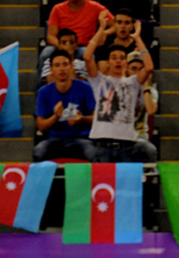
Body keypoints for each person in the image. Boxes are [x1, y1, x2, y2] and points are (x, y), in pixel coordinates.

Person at [83, 22, 153, 161]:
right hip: (102, 144)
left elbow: (149, 67)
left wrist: (138, 38)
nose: (118, 61)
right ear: (108, 62)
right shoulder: (99, 80)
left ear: (126, 62)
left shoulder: (132, 82)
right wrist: (101, 30)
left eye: (122, 58)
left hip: (126, 144)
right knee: (103, 183)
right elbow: (87, 57)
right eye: (114, 58)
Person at [34, 49, 96, 161]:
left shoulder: (85, 88)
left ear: (71, 66)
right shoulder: (43, 92)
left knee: (94, 154)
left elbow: (96, 119)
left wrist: (82, 119)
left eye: (65, 64)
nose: (61, 69)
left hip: (81, 138)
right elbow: (41, 126)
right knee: (39, 151)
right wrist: (55, 117)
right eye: (57, 65)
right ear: (51, 70)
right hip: (55, 139)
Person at [126, 51, 157, 159]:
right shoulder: (120, 88)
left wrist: (144, 85)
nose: (138, 73)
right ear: (127, 70)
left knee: (150, 150)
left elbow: (151, 110)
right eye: (134, 69)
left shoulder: (151, 91)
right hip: (121, 137)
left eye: (141, 69)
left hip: (140, 138)